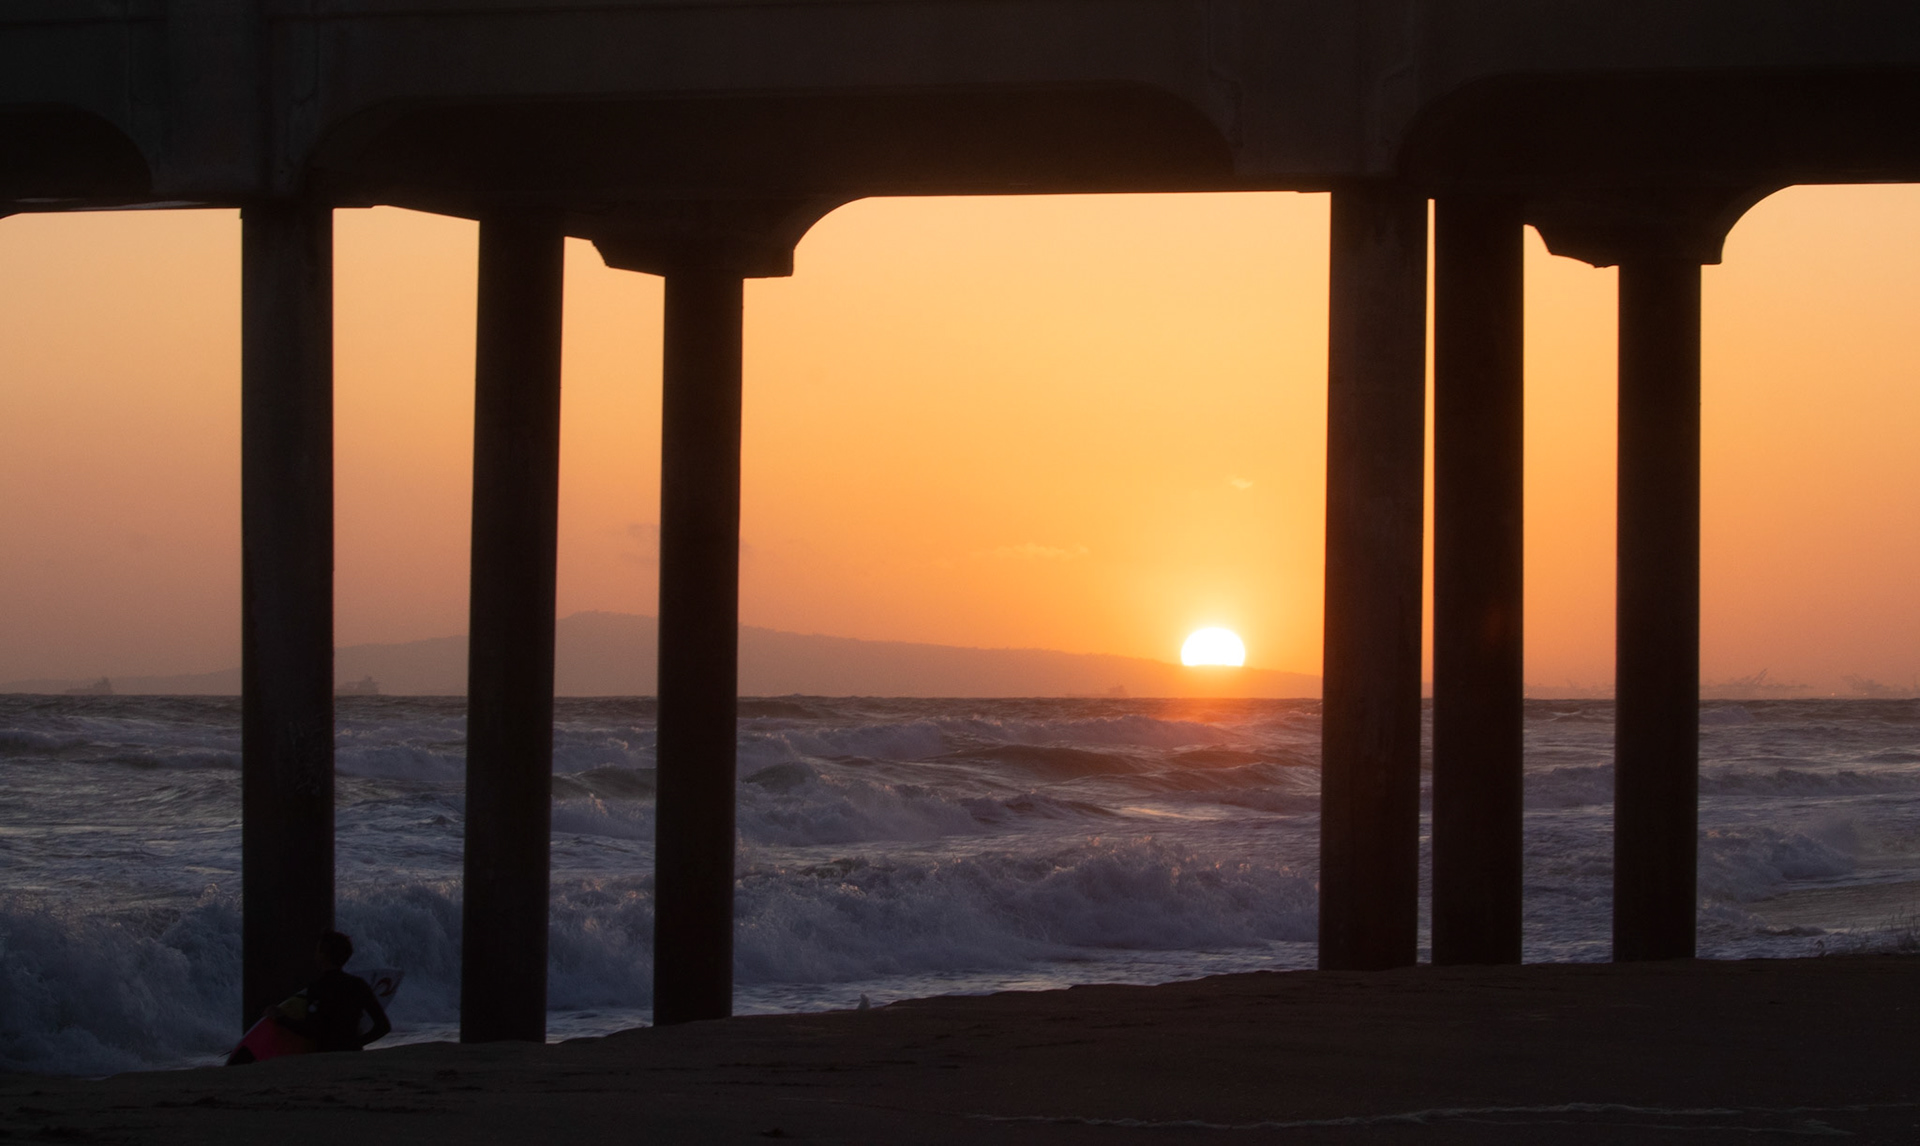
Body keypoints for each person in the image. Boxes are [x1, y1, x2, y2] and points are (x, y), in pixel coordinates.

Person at [273, 930, 392, 1052]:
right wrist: (356, 1043)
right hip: (352, 1054)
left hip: (326, 1056)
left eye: (318, 950)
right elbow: (383, 1027)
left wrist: (280, 1017)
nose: (315, 953)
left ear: (323, 956)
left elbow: (309, 1031)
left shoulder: (318, 988)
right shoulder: (358, 984)